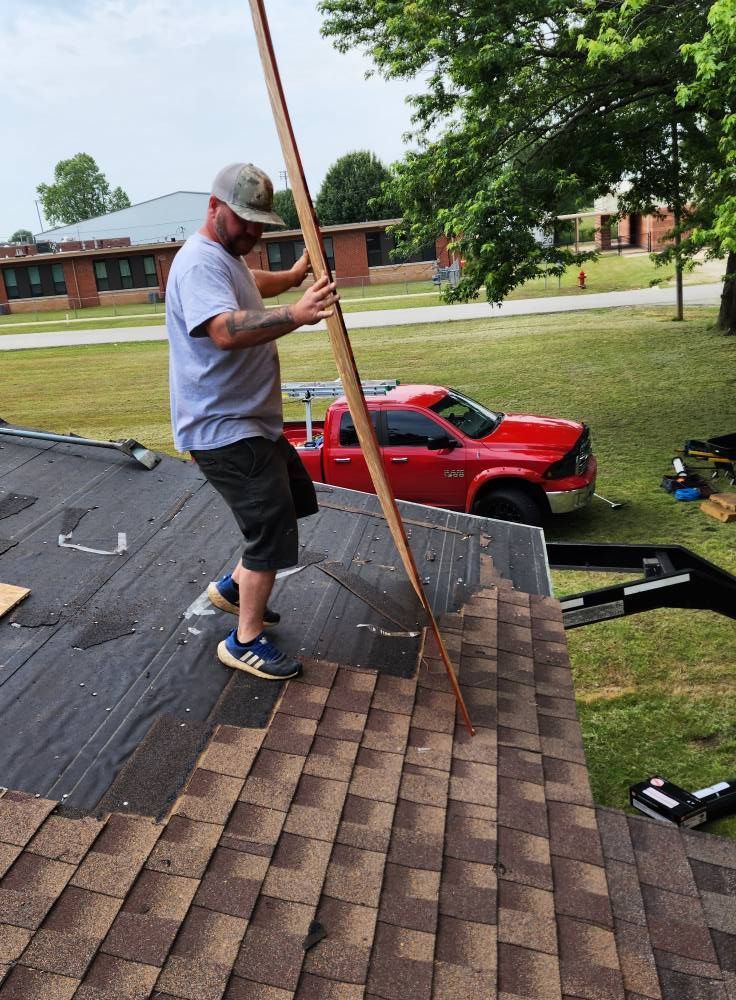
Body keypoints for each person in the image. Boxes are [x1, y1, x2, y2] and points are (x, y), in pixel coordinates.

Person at [165, 162, 337, 681]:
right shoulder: (199, 265)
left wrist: (294, 275)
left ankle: (233, 590)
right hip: (223, 428)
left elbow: (251, 282)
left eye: (261, 222)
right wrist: (295, 314)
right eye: (245, 220)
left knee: (294, 500)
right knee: (269, 529)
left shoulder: (225, 259)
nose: (254, 232)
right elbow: (223, 329)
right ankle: (244, 640)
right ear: (214, 207)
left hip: (249, 423)